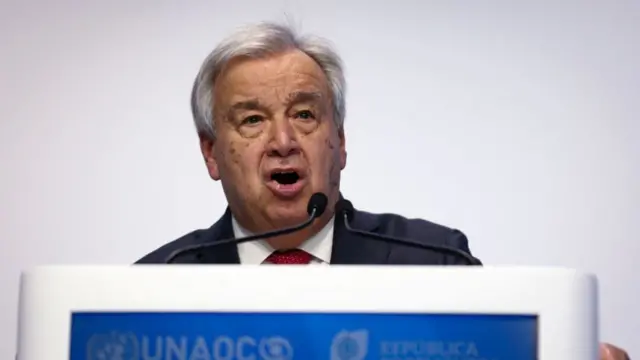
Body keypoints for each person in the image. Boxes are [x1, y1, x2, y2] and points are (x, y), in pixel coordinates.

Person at [135, 22, 629, 359]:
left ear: (341, 142)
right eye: (252, 120)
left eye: (305, 115)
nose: (282, 142)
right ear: (211, 153)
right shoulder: (150, 289)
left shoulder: (434, 263)